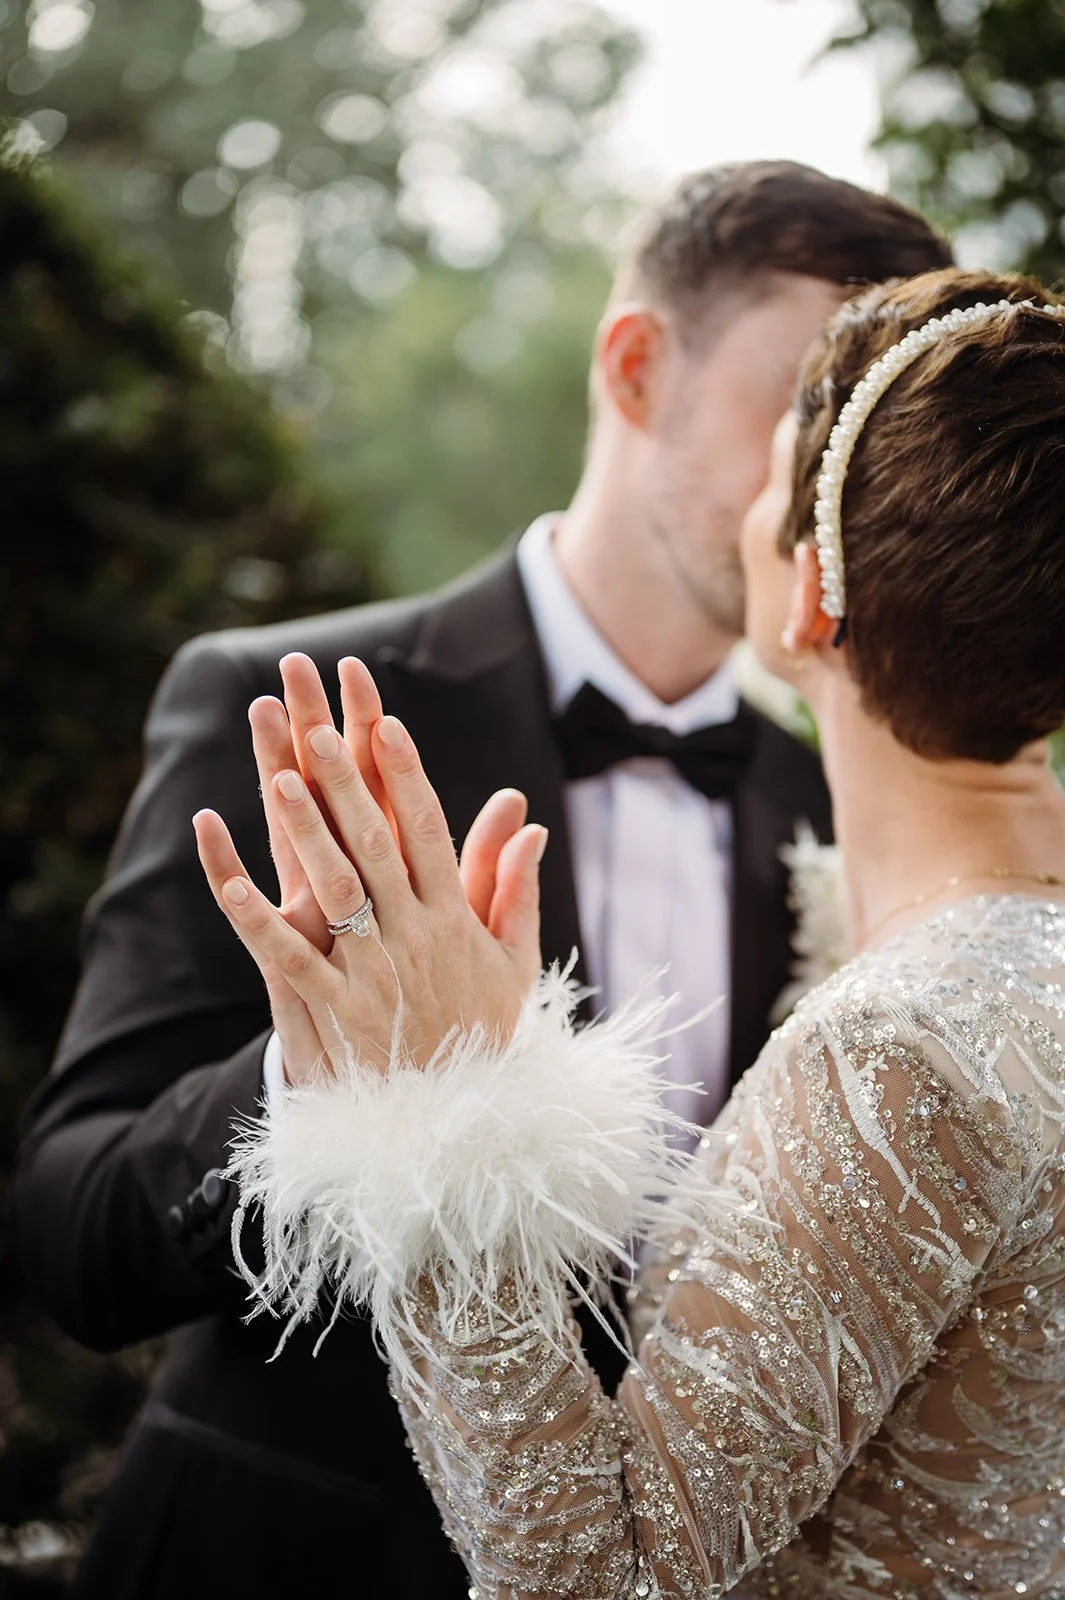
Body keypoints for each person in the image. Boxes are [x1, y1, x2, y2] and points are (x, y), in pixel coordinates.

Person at [14, 163, 949, 1600]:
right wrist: (333, 1068)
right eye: (802, 417)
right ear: (637, 370)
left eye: (869, 443)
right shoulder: (282, 705)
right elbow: (74, 1236)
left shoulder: (834, 803)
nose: (831, 495)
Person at [199, 265, 1065, 1598]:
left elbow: (596, 1577)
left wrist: (439, 1101)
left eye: (776, 478)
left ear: (812, 600)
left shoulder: (901, 1046)